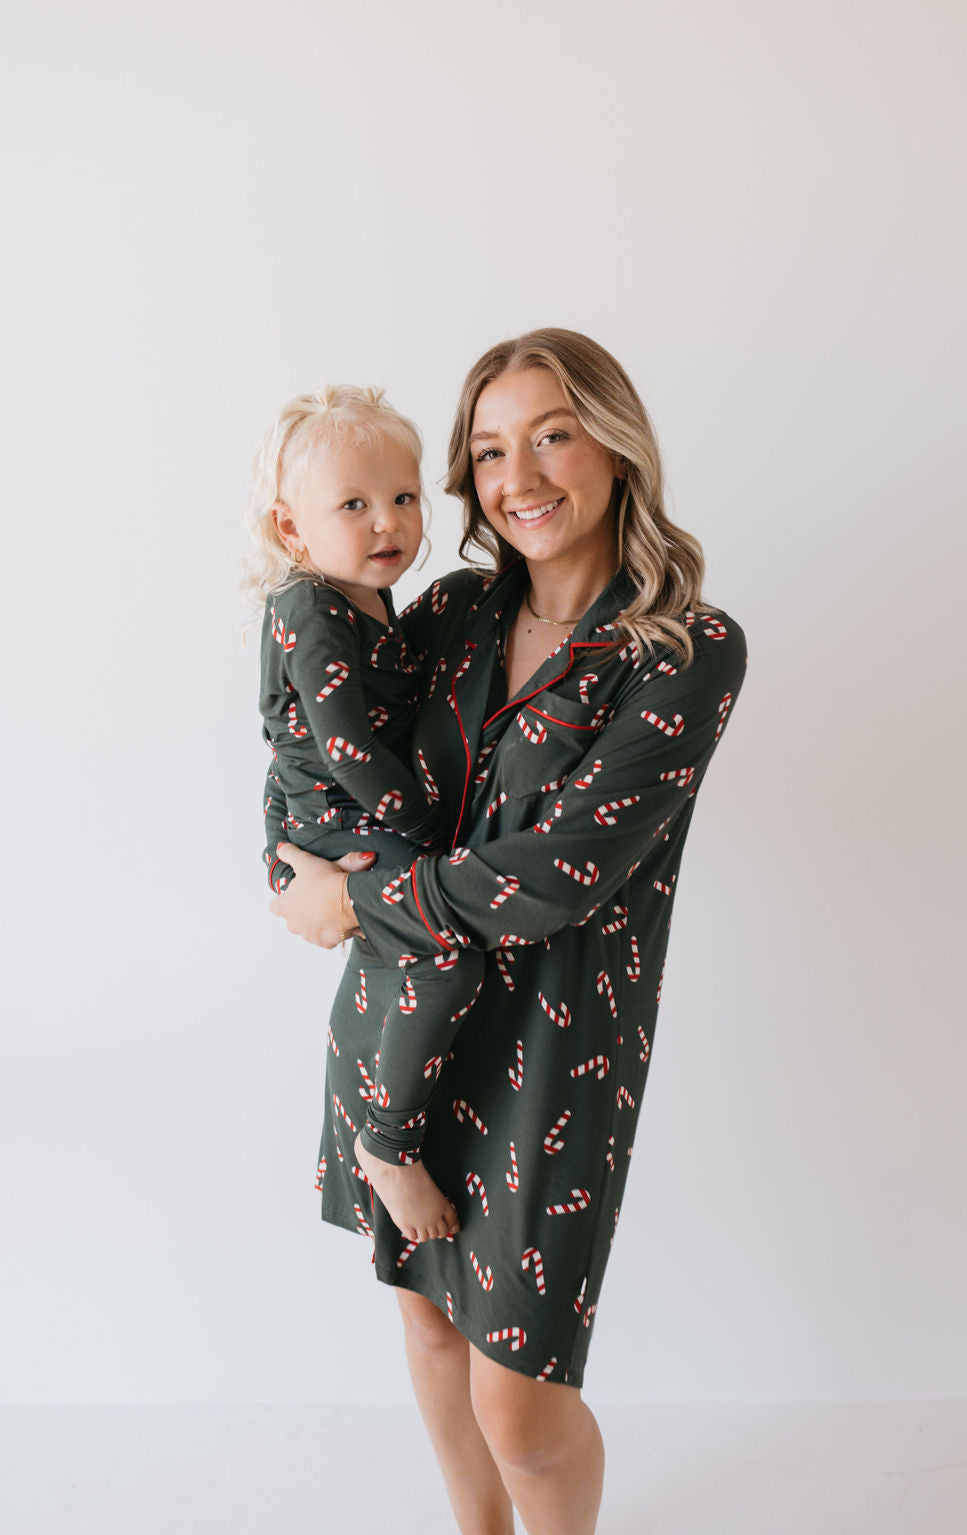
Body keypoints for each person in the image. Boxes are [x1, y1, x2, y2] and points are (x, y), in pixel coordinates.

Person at [268, 330, 747, 1535]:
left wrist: (355, 897)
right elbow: (314, 746)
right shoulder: (451, 610)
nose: (517, 475)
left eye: (550, 434)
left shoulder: (686, 650)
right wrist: (281, 869)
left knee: (522, 1404)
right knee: (426, 1317)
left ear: (613, 442)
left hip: (554, 1051)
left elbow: (560, 874)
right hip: (398, 1030)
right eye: (487, 450)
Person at [244, 385, 484, 1242]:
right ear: (291, 529)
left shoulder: (372, 601)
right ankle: (385, 1146)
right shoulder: (310, 607)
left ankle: (394, 1125)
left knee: (430, 956)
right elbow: (340, 743)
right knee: (447, 956)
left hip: (341, 816)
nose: (388, 522)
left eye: (404, 498)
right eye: (355, 503)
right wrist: (424, 827)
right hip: (339, 820)